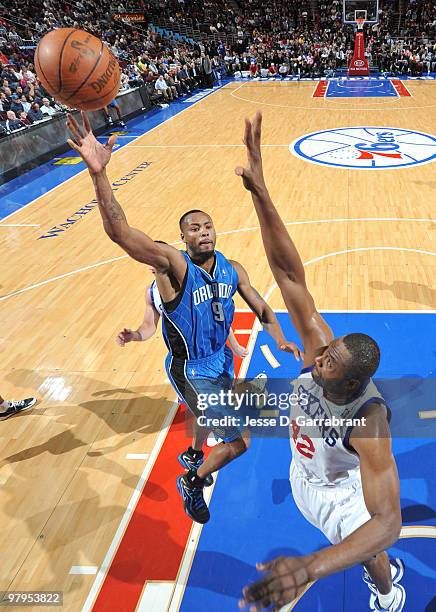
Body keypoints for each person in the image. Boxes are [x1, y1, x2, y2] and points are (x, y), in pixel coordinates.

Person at [66, 111, 302, 524]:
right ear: (182, 238)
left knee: (200, 415)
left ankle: (193, 451)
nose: (203, 231)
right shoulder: (174, 267)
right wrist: (100, 175)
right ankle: (192, 480)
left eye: (207, 225)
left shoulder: (233, 268)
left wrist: (278, 336)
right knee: (240, 441)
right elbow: (121, 233)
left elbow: (261, 307)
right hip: (191, 369)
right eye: (193, 228)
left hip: (219, 362)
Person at [236, 112, 404, 612]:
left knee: (369, 549)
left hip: (338, 490)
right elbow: (288, 272)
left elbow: (387, 521)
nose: (319, 357)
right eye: (326, 351)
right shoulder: (322, 352)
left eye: (329, 363)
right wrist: (260, 192)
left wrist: (308, 568)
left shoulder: (369, 424)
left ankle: (386, 589)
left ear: (351, 384)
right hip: (301, 470)